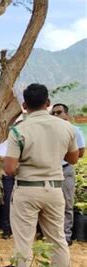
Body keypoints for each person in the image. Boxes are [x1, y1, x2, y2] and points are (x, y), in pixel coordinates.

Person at [4, 83, 78, 267]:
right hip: (54, 189)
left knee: (24, 242)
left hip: (27, 190)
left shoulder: (19, 131)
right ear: (48, 103)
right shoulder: (67, 127)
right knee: (58, 240)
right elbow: (73, 159)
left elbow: (9, 169)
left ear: (24, 105)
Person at [51, 103, 85, 245]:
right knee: (50, 204)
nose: (56, 115)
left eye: (59, 112)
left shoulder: (75, 130)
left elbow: (81, 152)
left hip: (66, 169)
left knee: (66, 204)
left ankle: (66, 236)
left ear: (67, 114)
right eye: (53, 113)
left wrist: (63, 155)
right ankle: (51, 234)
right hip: (50, 170)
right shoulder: (50, 132)